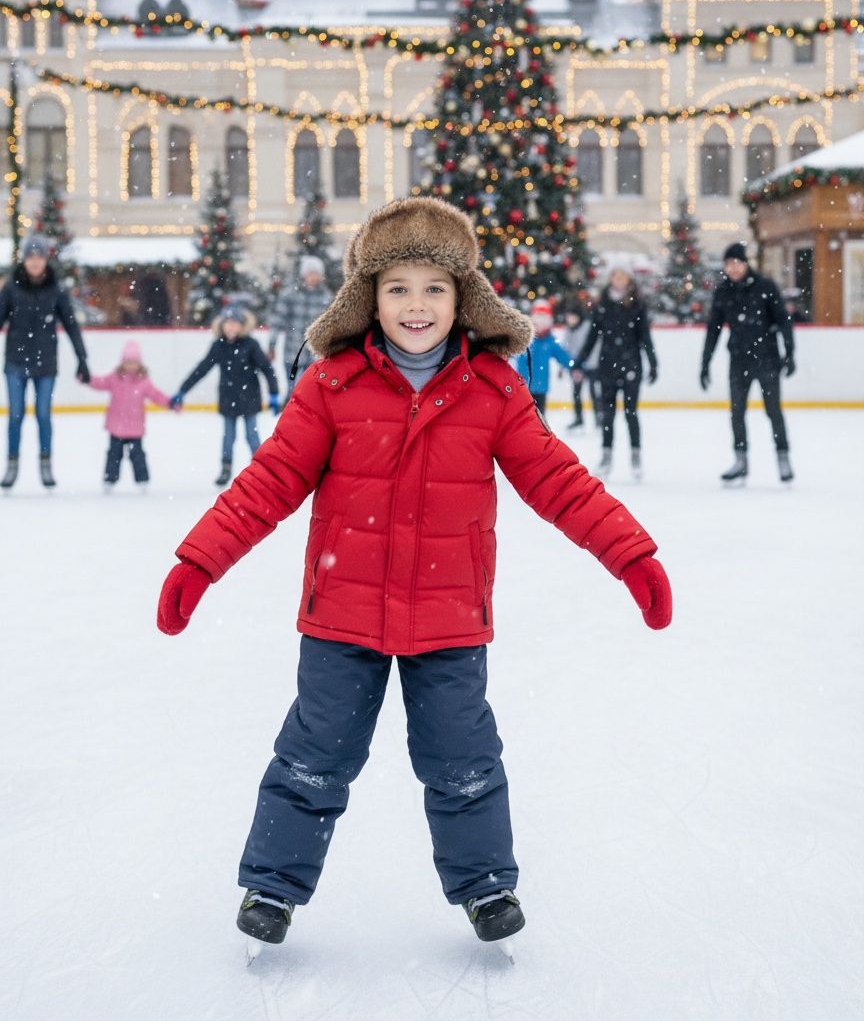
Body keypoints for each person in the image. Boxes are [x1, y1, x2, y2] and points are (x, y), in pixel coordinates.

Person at [156, 197, 673, 955]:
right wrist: (199, 561)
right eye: (398, 287)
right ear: (370, 296)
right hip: (342, 616)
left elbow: (559, 481)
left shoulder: (494, 390)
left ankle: (486, 885)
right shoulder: (331, 385)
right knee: (314, 753)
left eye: (435, 287)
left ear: (464, 296)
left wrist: (631, 553)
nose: (417, 305)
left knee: (462, 756)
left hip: (449, 617)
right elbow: (266, 483)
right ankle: (272, 884)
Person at [0, 234, 89, 489]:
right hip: (15, 361)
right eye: (31, 257)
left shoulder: (57, 288)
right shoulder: (11, 286)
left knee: (43, 415)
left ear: (45, 260)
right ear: (25, 260)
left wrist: (82, 359)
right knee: (15, 415)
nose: (35, 263)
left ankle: (45, 463)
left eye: (39, 257)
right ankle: (12, 464)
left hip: (46, 362)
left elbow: (71, 324)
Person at [701, 243, 795, 483]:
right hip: (739, 359)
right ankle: (740, 460)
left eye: (735, 263)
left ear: (745, 263)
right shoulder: (724, 291)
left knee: (773, 411)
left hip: (767, 358)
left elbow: (783, 321)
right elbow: (714, 329)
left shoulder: (765, 286)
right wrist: (705, 363)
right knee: (736, 412)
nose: (731, 268)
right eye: (727, 264)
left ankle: (783, 457)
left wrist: (790, 353)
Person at [171, 304, 279, 486]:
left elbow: (266, 369)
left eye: (235, 323)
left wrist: (274, 394)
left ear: (242, 325)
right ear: (221, 325)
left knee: (251, 435)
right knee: (228, 436)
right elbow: (202, 369)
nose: (232, 327)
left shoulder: (251, 345)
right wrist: (183, 390)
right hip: (228, 398)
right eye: (228, 323)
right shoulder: (218, 346)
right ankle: (225, 469)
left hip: (249, 397)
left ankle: (261, 469)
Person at [573, 269, 657, 481]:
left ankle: (636, 455)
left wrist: (653, 363)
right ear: (610, 279)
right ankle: (606, 455)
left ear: (628, 280)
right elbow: (593, 336)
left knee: (631, 413)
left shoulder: (637, 304)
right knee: (607, 414)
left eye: (622, 276)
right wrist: (579, 361)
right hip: (608, 366)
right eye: (615, 276)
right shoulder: (602, 305)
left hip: (631, 365)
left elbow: (644, 335)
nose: (618, 280)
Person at [85, 340, 174, 491]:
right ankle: (109, 480)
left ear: (140, 364)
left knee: (137, 456)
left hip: (135, 428)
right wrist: (87, 378)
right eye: (128, 361)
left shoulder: (144, 381)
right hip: (116, 427)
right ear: (122, 362)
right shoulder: (115, 378)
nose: (131, 365)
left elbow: (156, 395)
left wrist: (170, 403)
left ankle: (142, 480)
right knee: (113, 455)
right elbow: (99, 383)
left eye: (134, 362)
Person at [268, 255, 333, 404]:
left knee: (312, 392)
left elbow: (332, 325)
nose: (314, 277)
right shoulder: (290, 294)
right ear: (304, 275)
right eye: (311, 273)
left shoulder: (326, 297)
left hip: (316, 353)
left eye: (317, 274)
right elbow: (277, 321)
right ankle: (289, 414)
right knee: (292, 389)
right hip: (293, 350)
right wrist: (272, 345)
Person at [512, 301, 576, 415]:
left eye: (545, 320)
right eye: (538, 319)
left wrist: (576, 366)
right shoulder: (524, 338)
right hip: (522, 389)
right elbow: (510, 354)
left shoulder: (550, 340)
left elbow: (563, 356)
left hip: (541, 388)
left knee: (540, 420)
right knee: (522, 420)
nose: (541, 324)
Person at [560, 300, 593, 428]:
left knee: (594, 391)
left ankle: (599, 418)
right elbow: (565, 348)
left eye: (573, 317)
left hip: (589, 365)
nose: (570, 320)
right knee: (576, 392)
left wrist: (586, 362)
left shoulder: (587, 327)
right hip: (576, 367)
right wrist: (566, 366)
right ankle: (579, 418)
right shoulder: (568, 330)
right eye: (568, 317)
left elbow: (590, 346)